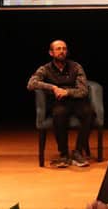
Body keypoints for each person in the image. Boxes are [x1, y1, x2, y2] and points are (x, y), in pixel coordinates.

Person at [27, 40, 95, 168]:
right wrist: (53, 87)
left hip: (75, 100)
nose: (62, 51)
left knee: (89, 113)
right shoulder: (45, 69)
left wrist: (67, 92)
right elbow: (31, 84)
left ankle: (78, 151)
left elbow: (83, 90)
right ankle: (63, 154)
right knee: (59, 113)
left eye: (64, 49)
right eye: (58, 49)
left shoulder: (76, 67)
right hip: (58, 102)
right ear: (51, 52)